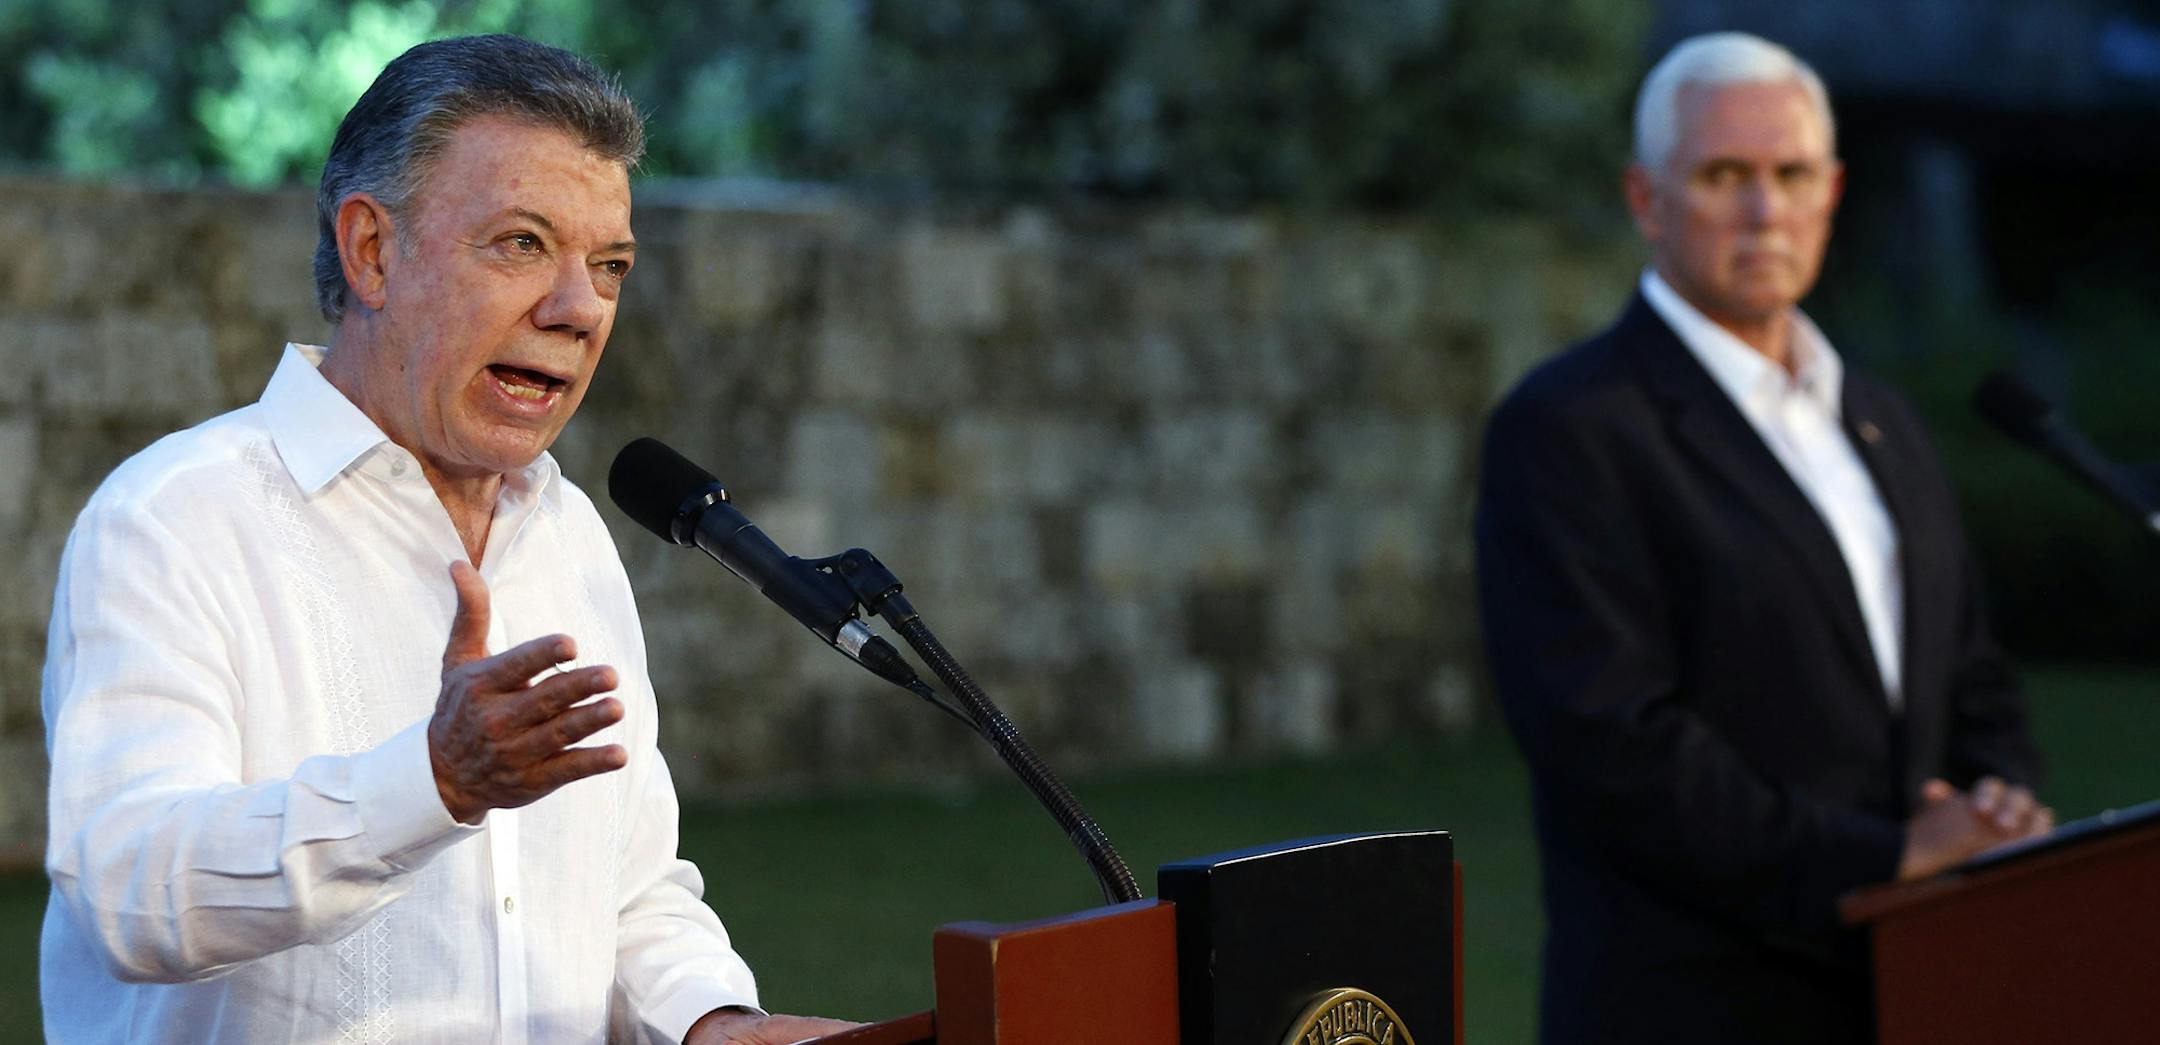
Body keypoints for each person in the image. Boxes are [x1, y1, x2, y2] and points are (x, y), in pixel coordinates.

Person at [40, 35, 854, 1045]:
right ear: (373, 250)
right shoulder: (174, 517)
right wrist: (432, 782)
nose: (579, 308)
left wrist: (713, 1021)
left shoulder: (567, 536)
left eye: (609, 265)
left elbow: (627, 888)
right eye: (521, 243)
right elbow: (131, 889)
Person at [1474, 32, 2052, 1045]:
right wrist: (1876, 854)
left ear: (1831, 192)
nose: (1763, 210)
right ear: (1646, 199)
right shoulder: (1575, 425)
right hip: (1696, 999)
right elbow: (1608, 740)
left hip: (1919, 978)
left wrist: (1998, 807)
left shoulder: (1879, 417)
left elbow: (1969, 668)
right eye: (1723, 175)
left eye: (1789, 175)